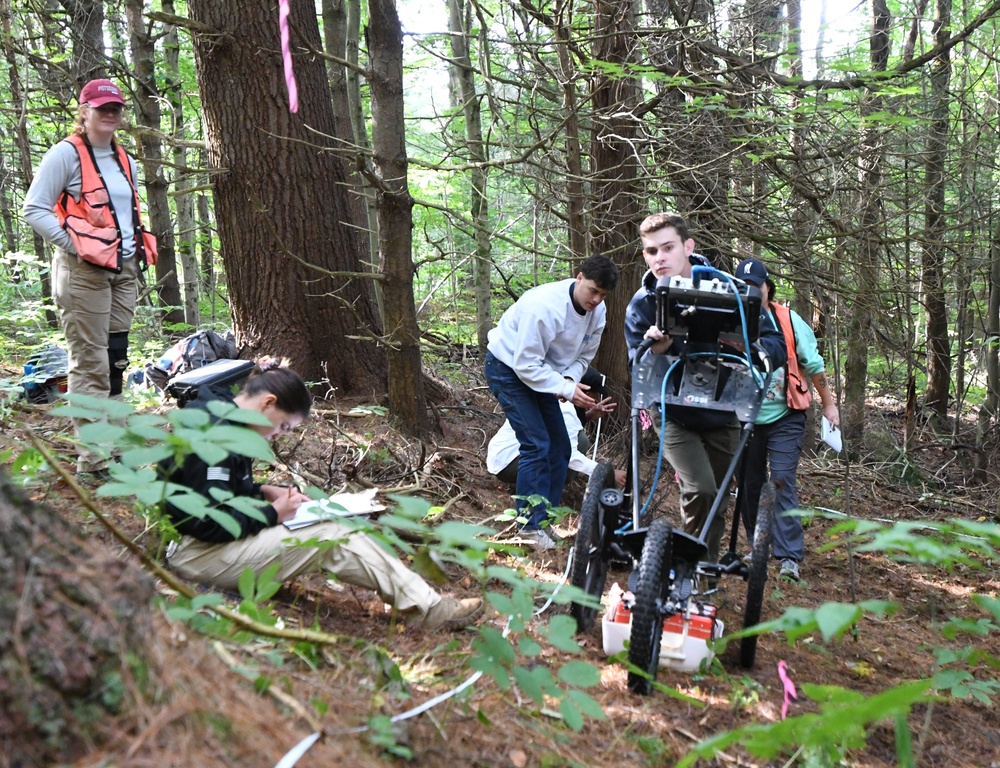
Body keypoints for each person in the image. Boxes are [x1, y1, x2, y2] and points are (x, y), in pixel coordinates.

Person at [159, 359, 483, 630]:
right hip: (199, 555)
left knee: (334, 528)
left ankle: (422, 602)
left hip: (204, 548)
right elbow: (204, 522)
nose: (277, 436)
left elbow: (214, 493)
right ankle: (428, 610)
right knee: (331, 534)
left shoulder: (222, 419)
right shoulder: (217, 436)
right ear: (268, 402)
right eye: (283, 427)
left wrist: (261, 491)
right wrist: (274, 514)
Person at [624, 213, 786, 564]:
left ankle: (704, 571)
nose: (659, 258)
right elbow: (636, 367)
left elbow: (776, 343)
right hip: (672, 411)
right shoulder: (644, 303)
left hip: (724, 408)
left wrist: (750, 348)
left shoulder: (731, 290)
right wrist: (659, 351)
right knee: (701, 489)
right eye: (651, 251)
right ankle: (687, 570)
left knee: (717, 498)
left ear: (688, 246)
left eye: (668, 248)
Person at [23, 78, 156, 476]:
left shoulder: (124, 158)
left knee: (115, 359)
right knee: (90, 361)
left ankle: (113, 447)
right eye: (102, 108)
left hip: (124, 270)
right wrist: (73, 244)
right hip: (84, 274)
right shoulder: (64, 155)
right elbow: (34, 208)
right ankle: (92, 459)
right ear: (85, 112)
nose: (110, 114)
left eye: (115, 108)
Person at [484, 254, 620, 551]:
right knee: (536, 443)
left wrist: (567, 382)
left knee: (560, 445)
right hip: (508, 369)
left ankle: (544, 520)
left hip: (545, 374)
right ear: (579, 276)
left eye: (603, 295)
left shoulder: (598, 312)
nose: (596, 300)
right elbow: (525, 364)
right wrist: (566, 389)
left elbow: (584, 357)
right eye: (593, 291)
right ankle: (528, 526)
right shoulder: (544, 306)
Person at [735, 257, 840, 582]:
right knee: (748, 483)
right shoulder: (729, 317)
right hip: (744, 416)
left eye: (757, 286)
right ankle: (757, 545)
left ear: (768, 288)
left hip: (786, 414)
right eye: (745, 287)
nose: (752, 292)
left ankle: (789, 556)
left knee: (781, 480)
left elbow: (813, 363)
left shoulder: (788, 319)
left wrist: (829, 404)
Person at [487, 367, 626, 488]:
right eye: (595, 394)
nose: (595, 399)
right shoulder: (565, 408)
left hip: (504, 459)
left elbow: (559, 429)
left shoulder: (551, 395)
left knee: (575, 440)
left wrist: (589, 415)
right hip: (509, 464)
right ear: (585, 391)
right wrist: (607, 472)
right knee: (580, 441)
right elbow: (570, 455)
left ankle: (538, 485)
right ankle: (541, 491)